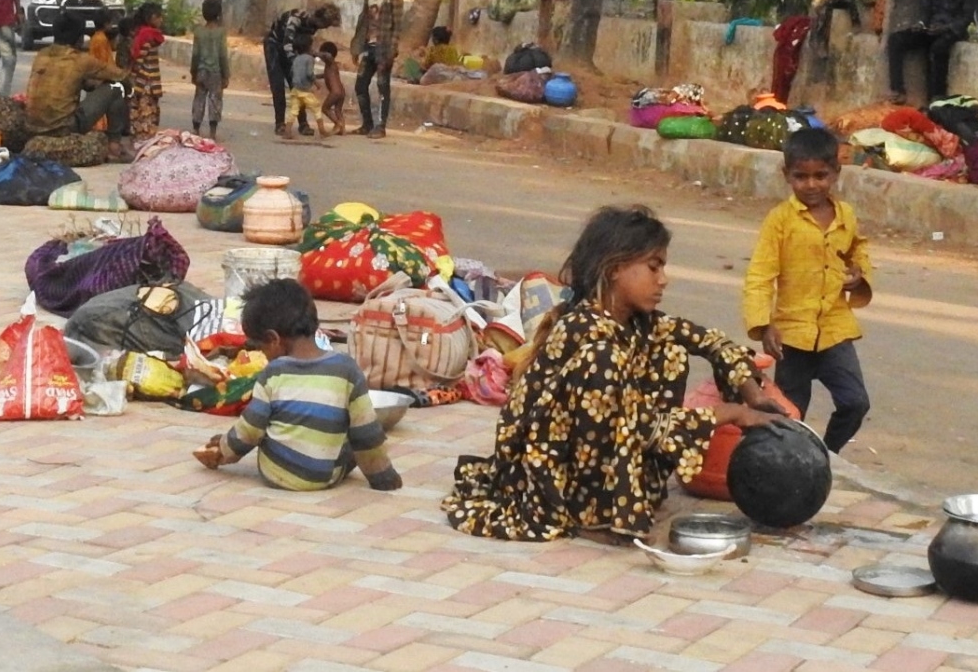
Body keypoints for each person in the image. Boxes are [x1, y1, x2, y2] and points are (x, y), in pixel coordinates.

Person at [442, 205, 784, 542]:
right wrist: (733, 414)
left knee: (670, 350)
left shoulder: (639, 323)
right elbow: (640, 426)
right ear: (616, 268)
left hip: (605, 448)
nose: (663, 279)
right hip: (543, 476)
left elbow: (712, 341)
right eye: (654, 267)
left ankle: (623, 496)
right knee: (608, 365)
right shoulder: (585, 333)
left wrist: (754, 397)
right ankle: (589, 515)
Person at [193, 279, 401, 492]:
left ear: (273, 339)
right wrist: (383, 477)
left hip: (276, 473)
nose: (262, 354)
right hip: (325, 478)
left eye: (260, 346)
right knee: (354, 438)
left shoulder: (273, 373)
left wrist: (224, 451)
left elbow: (250, 429)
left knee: (265, 422)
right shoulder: (347, 369)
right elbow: (366, 433)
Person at [744, 127, 874, 453]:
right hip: (792, 336)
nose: (811, 185)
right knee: (790, 413)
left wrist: (859, 275)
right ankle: (792, 464)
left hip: (834, 330)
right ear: (786, 174)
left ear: (836, 173)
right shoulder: (780, 221)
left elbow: (858, 251)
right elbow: (760, 274)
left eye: (821, 176)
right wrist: (763, 325)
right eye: (801, 177)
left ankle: (826, 455)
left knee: (855, 402)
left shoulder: (846, 215)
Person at [23, 16, 132, 162]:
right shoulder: (80, 60)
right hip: (65, 127)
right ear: (80, 39)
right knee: (116, 87)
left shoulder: (41, 55)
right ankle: (114, 146)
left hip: (32, 127)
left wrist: (90, 83)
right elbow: (121, 76)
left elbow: (76, 82)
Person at [885, 0, 973, 105]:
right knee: (895, 40)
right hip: (931, 28)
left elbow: (966, 17)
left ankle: (937, 98)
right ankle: (898, 90)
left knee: (938, 49)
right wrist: (921, 24)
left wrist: (945, 28)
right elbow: (927, 10)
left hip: (953, 31)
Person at [263, 4, 341, 137]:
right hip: (274, 45)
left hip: (290, 50)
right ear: (320, 19)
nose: (326, 28)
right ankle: (280, 123)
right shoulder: (296, 19)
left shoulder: (312, 26)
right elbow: (287, 45)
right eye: (326, 24)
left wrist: (317, 54)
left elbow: (303, 45)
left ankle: (303, 123)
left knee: (298, 86)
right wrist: (298, 64)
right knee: (278, 85)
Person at [352, 0, 401, 139]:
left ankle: (381, 126)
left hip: (383, 49)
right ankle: (367, 124)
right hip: (368, 47)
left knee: (382, 86)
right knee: (360, 85)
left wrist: (392, 51)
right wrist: (356, 48)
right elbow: (362, 21)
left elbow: (397, 26)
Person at [190, 0, 229, 139]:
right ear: (219, 14)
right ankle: (212, 132)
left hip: (201, 70)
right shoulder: (221, 32)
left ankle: (196, 128)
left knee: (199, 98)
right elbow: (223, 55)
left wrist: (193, 72)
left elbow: (195, 54)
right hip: (216, 72)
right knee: (215, 100)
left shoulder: (198, 32)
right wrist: (226, 74)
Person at [281, 34, 331, 139]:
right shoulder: (309, 59)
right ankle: (322, 130)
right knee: (316, 108)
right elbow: (309, 74)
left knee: (294, 110)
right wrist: (316, 83)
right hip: (305, 90)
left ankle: (287, 131)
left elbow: (291, 72)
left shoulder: (296, 59)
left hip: (295, 89)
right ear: (309, 47)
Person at [128, 2, 166, 137]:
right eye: (159, 17)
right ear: (151, 17)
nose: (161, 20)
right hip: (147, 84)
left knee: (140, 115)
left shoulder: (142, 34)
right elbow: (140, 61)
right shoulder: (149, 36)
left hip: (143, 83)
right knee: (147, 116)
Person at [316, 41, 347, 136]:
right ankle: (342, 129)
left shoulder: (330, 62)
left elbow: (328, 56)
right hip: (341, 92)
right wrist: (314, 76)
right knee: (337, 110)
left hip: (335, 92)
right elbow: (326, 75)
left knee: (325, 108)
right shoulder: (330, 66)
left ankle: (338, 124)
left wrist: (314, 53)